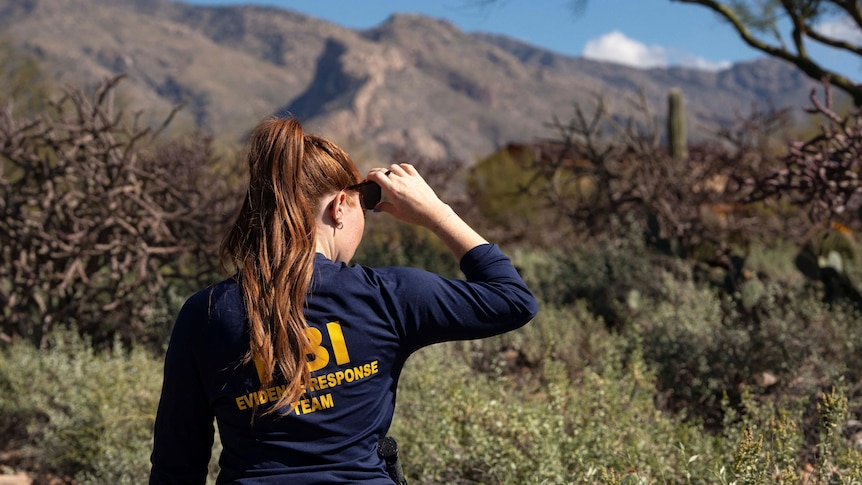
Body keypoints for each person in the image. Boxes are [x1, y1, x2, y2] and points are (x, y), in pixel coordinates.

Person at [149, 117, 538, 484]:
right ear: (339, 207)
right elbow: (512, 299)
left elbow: (176, 463)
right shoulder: (387, 296)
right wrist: (436, 213)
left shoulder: (205, 313)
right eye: (365, 203)